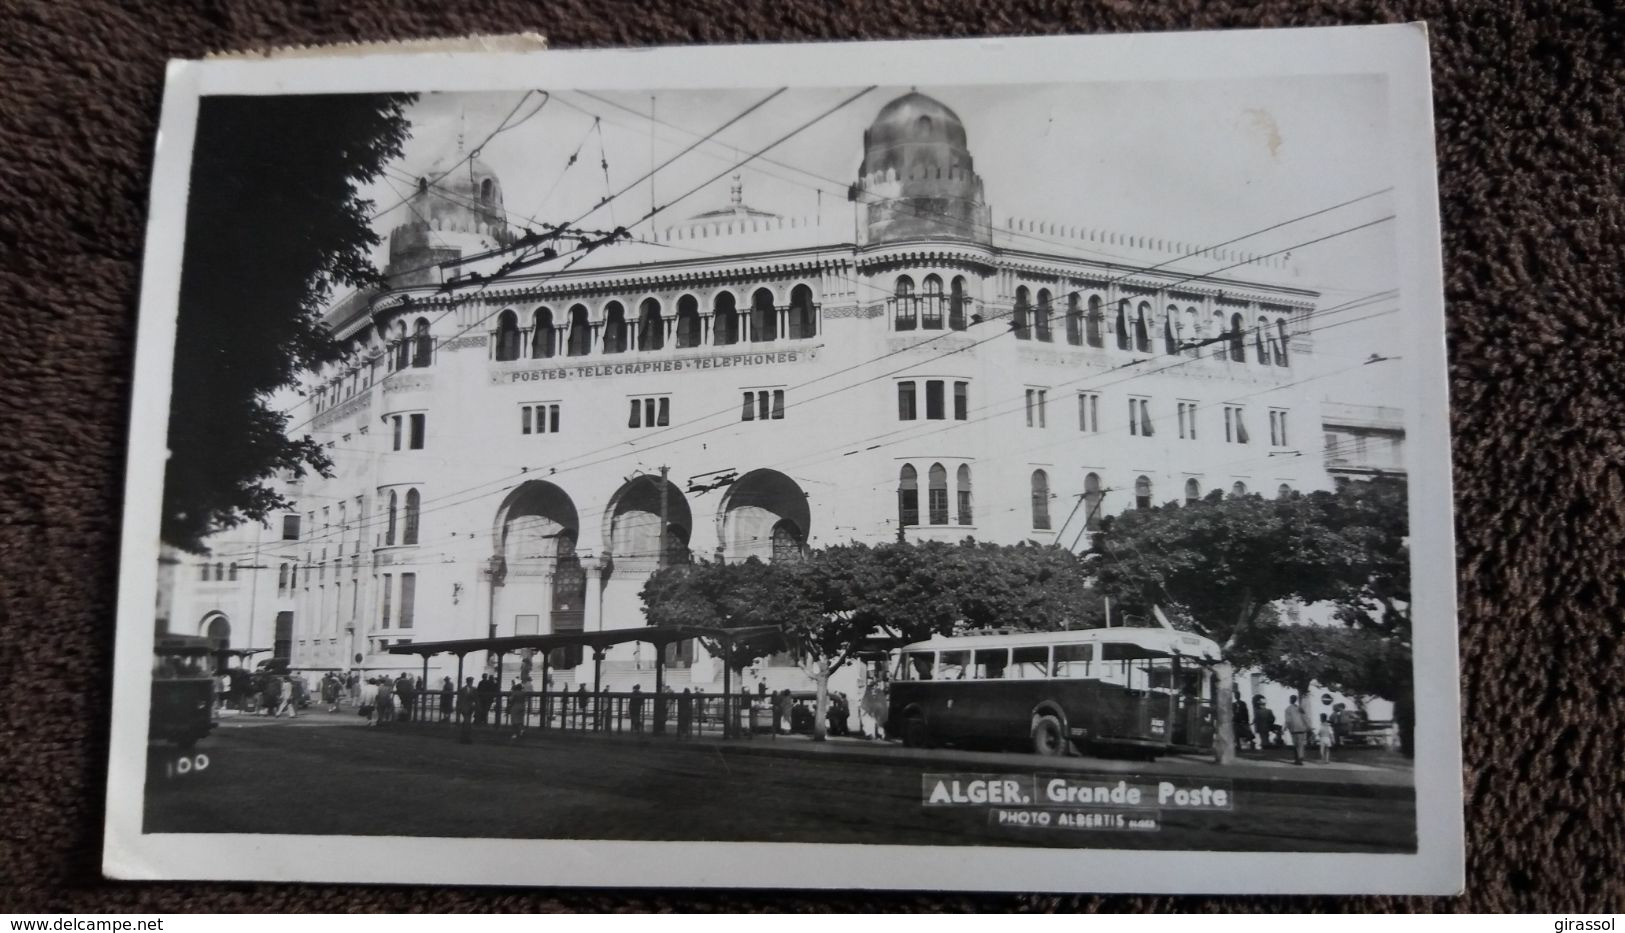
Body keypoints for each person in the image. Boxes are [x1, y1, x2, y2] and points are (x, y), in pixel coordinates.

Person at [1283, 694, 1310, 765]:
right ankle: (1300, 758)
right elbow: (1305, 718)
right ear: (1296, 700)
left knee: (1295, 744)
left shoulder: (1288, 709)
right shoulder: (1300, 708)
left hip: (1294, 729)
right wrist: (1307, 726)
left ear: (1290, 700)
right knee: (1301, 744)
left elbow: (1288, 720)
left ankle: (1297, 759)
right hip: (1302, 728)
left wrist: (1285, 728)